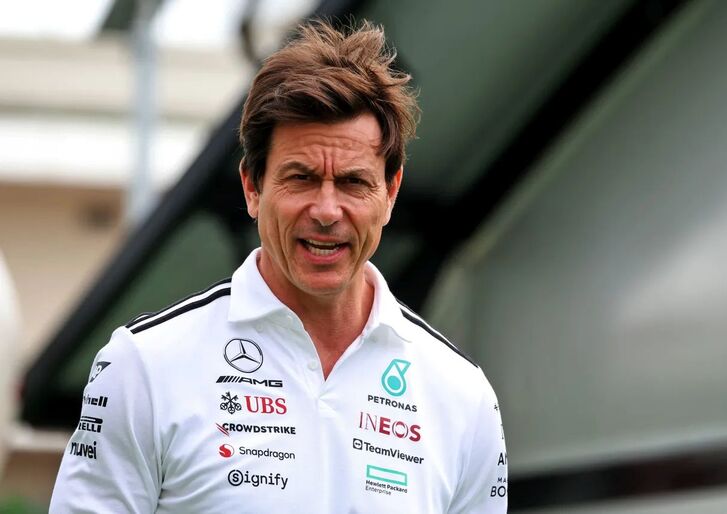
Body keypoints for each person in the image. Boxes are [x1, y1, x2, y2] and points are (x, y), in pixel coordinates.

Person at [50, 19, 507, 513]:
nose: (327, 211)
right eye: (301, 178)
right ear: (252, 187)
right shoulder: (143, 365)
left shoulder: (463, 395)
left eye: (353, 183)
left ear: (390, 192)